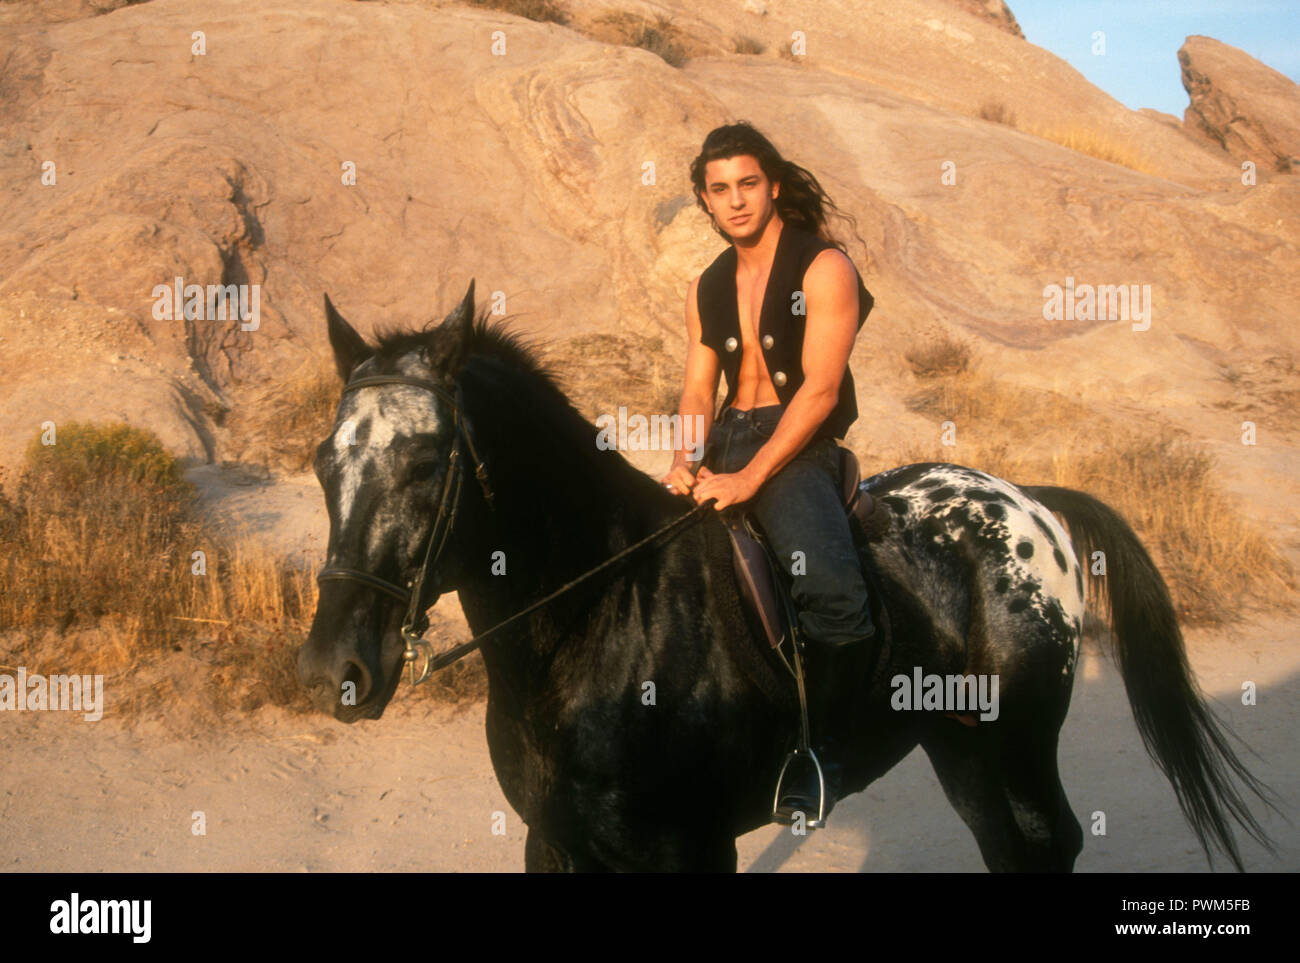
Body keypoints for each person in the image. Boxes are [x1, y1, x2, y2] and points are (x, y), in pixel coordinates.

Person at [660, 121, 876, 827]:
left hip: (797, 443)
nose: (737, 200)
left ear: (773, 184)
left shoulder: (823, 267)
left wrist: (751, 477)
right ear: (704, 199)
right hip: (725, 438)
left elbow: (818, 390)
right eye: (720, 190)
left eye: (748, 183)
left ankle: (824, 755)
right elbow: (698, 390)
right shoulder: (707, 285)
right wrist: (684, 456)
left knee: (832, 593)